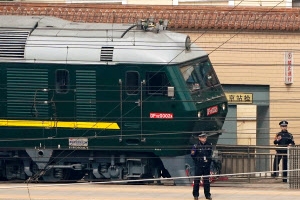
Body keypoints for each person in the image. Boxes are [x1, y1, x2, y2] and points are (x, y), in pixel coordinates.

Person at [191, 132, 212, 200]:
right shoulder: (196, 146)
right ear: (199, 138)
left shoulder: (209, 145)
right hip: (198, 166)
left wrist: (208, 162)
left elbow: (210, 154)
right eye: (203, 137)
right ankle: (195, 195)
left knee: (206, 181)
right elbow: (193, 155)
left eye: (205, 137)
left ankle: (207, 195)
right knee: (197, 181)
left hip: (206, 166)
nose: (204, 138)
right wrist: (197, 161)